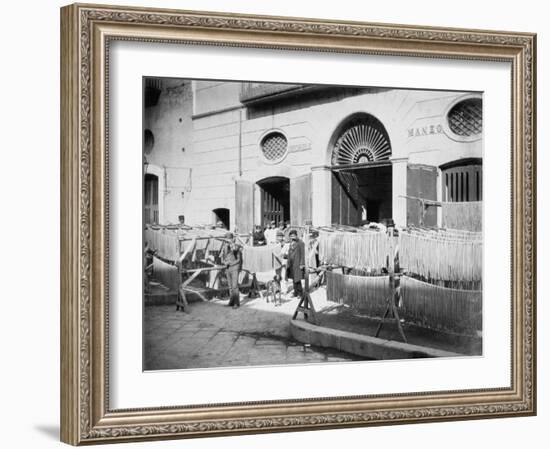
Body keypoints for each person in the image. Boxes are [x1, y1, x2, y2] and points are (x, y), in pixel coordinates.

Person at [222, 233, 242, 308]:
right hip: (228, 268)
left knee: (235, 286)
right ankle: (231, 301)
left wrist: (230, 263)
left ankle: (236, 303)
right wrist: (224, 262)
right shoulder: (224, 247)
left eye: (228, 240)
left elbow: (239, 260)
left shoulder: (236, 247)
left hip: (234, 268)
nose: (227, 241)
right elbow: (224, 258)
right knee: (230, 286)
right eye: (226, 240)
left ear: (232, 239)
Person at [286, 229, 305, 298]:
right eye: (291, 236)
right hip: (291, 263)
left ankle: (300, 293)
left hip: (297, 263)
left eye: (293, 236)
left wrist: (302, 264)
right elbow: (289, 252)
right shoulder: (291, 243)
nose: (292, 237)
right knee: (293, 278)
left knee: (298, 278)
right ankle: (295, 292)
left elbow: (303, 254)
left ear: (296, 235)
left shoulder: (301, 243)